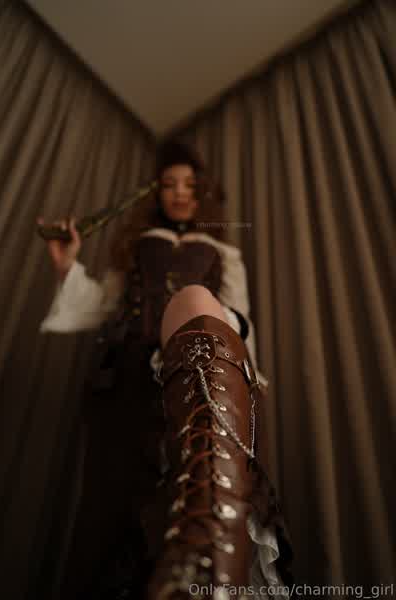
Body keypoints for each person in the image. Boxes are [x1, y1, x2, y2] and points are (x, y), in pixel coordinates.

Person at [38, 142, 293, 599]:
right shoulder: (136, 246)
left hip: (193, 371)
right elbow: (103, 305)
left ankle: (194, 579)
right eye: (169, 184)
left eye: (189, 185)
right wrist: (66, 265)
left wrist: (244, 373)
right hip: (126, 380)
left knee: (190, 481)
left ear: (202, 192)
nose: (179, 193)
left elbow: (238, 318)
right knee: (112, 501)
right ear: (157, 193)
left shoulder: (224, 252)